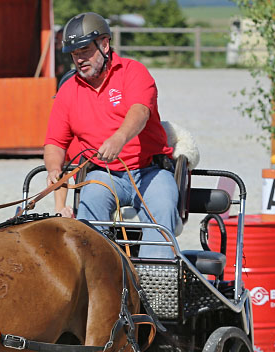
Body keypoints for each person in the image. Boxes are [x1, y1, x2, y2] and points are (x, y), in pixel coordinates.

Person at [44, 12, 181, 259]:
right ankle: (97, 276)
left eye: (85, 50)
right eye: (75, 54)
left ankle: (156, 279)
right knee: (89, 207)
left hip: (150, 170)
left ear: (104, 44)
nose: (80, 59)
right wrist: (54, 168)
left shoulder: (133, 72)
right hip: (103, 174)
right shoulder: (67, 92)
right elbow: (55, 142)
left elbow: (140, 111)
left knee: (163, 205)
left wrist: (119, 138)